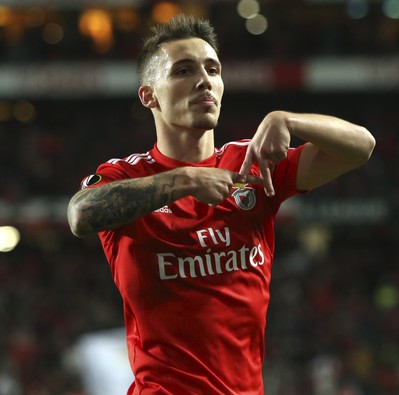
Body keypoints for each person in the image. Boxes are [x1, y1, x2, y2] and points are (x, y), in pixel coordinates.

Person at [67, 14, 375, 395]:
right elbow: (82, 214)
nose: (204, 80)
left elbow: (361, 146)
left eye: (212, 69)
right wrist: (185, 181)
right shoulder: (128, 175)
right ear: (149, 95)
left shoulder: (252, 164)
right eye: (183, 70)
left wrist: (290, 120)